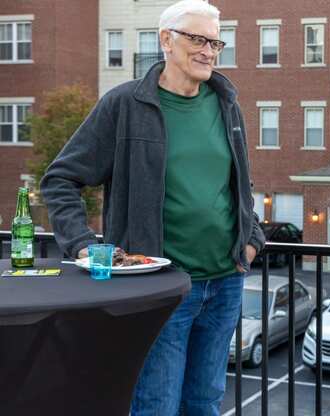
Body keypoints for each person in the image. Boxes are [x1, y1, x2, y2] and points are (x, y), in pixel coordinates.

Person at [40, 1, 265, 415]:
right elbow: (60, 180)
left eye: (215, 41)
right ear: (166, 40)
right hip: (161, 287)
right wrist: (84, 246)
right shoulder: (125, 105)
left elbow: (240, 184)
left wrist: (250, 241)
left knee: (205, 403)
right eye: (197, 39)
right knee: (156, 406)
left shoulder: (226, 103)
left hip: (226, 283)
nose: (208, 51)